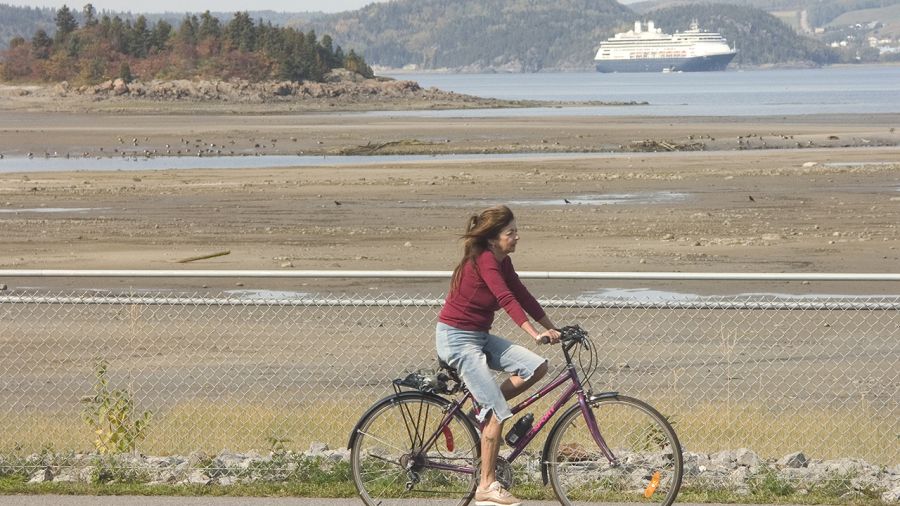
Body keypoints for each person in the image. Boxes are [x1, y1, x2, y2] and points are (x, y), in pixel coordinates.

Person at [436, 204, 561, 506]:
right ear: (493, 238)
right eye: (510, 233)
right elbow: (505, 299)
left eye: (516, 231)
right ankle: (486, 486)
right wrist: (533, 334)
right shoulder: (485, 259)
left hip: (478, 336)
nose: (517, 237)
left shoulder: (502, 261)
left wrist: (552, 328)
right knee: (497, 413)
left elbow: (521, 293)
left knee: (536, 366)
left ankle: (484, 408)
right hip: (457, 339)